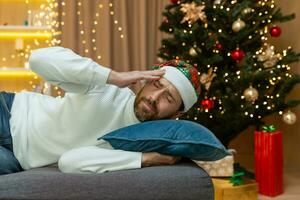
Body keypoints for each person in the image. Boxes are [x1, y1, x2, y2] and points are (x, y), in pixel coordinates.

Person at [0, 46, 200, 175]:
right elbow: (38, 59)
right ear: (146, 81)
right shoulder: (107, 88)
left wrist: (144, 159)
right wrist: (113, 77)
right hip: (9, 112)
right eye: (156, 85)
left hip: (15, 159)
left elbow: (69, 162)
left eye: (169, 97)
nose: (154, 98)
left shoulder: (139, 145)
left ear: (176, 114)